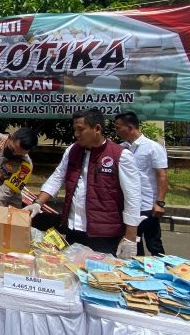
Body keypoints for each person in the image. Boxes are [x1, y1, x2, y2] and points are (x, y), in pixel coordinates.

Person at [28, 109, 141, 257]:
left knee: (99, 276)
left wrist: (130, 237)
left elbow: (132, 197)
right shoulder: (73, 150)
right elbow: (57, 177)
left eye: (80, 129)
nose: (76, 134)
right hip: (74, 228)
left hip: (103, 234)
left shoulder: (120, 155)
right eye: (75, 129)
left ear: (97, 129)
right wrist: (38, 203)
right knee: (71, 272)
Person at [114, 111, 169, 256]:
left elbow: (162, 175)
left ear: (130, 127)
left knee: (154, 245)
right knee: (133, 245)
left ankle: (161, 273)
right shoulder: (121, 148)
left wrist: (160, 202)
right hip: (130, 205)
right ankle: (137, 276)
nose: (116, 131)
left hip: (148, 206)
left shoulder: (152, 147)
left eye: (119, 127)